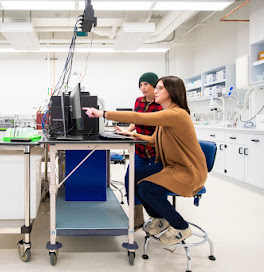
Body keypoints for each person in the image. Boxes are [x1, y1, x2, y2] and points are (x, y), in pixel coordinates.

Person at [83, 76, 207, 245]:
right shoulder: (167, 115)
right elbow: (154, 139)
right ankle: (159, 218)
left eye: (160, 88)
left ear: (172, 92)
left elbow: (138, 117)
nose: (155, 91)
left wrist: (102, 114)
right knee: (134, 176)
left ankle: (181, 226)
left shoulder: (177, 114)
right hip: (170, 166)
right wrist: (132, 134)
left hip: (187, 171)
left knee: (146, 188)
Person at [114, 72, 163, 231]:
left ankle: (160, 219)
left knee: (156, 184)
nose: (143, 88)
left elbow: (159, 131)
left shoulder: (161, 104)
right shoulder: (139, 101)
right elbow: (136, 120)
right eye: (141, 85)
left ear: (154, 86)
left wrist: (133, 134)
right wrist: (126, 131)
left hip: (156, 152)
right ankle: (137, 219)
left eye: (146, 84)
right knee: (130, 179)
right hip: (140, 151)